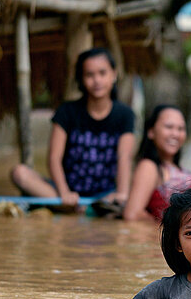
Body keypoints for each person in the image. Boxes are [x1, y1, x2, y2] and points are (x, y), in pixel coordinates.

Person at [11, 47, 135, 209]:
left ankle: (87, 209)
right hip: (66, 192)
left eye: (102, 73)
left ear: (114, 74)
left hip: (105, 196)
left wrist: (121, 195)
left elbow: (124, 158)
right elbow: (54, 158)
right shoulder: (67, 111)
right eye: (90, 75)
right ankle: (73, 208)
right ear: (81, 79)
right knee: (19, 173)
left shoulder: (125, 114)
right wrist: (64, 193)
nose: (97, 80)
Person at [121, 105, 191, 221]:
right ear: (151, 131)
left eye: (180, 129)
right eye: (169, 127)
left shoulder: (177, 168)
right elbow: (132, 214)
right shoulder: (148, 166)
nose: (175, 134)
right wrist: (167, 233)